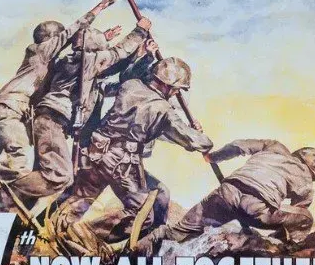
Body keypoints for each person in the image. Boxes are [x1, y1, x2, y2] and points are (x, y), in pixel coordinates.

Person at [0, 0, 118, 209]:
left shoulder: (48, 63)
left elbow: (79, 63)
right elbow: (71, 33)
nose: (67, 42)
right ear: (52, 38)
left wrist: (100, 41)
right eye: (61, 38)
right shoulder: (40, 51)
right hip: (11, 111)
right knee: (18, 163)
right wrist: (99, 7)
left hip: (5, 112)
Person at [53, 57, 213, 241]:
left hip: (96, 151)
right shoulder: (163, 109)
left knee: (78, 200)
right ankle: (82, 237)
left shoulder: (130, 85)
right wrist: (199, 134)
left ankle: (48, 235)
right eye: (177, 88)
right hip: (121, 162)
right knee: (142, 215)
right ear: (168, 85)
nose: (177, 92)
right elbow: (193, 141)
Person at [3, 17, 153, 204]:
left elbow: (119, 78)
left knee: (42, 175)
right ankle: (2, 196)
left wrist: (143, 56)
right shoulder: (80, 61)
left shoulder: (81, 69)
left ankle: (7, 214)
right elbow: (117, 54)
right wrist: (139, 31)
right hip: (51, 122)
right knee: (60, 176)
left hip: (51, 124)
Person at [134, 139, 315, 255]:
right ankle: (289, 248)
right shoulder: (305, 178)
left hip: (226, 193)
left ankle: (138, 248)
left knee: (179, 231)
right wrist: (282, 235)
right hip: (257, 209)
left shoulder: (275, 147)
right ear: (312, 171)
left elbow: (238, 146)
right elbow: (299, 210)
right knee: (306, 217)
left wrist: (213, 157)